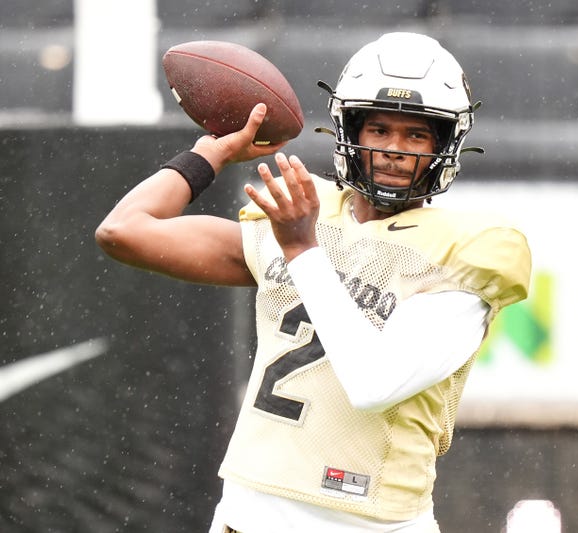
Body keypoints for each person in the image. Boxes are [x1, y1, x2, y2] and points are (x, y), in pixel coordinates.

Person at [96, 32, 531, 532]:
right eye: (380, 129)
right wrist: (209, 154)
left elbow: (374, 381)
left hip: (367, 522)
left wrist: (303, 249)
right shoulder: (304, 211)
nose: (394, 150)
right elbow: (123, 232)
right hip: (247, 511)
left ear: (443, 146)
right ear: (350, 131)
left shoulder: (466, 249)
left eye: (416, 135)